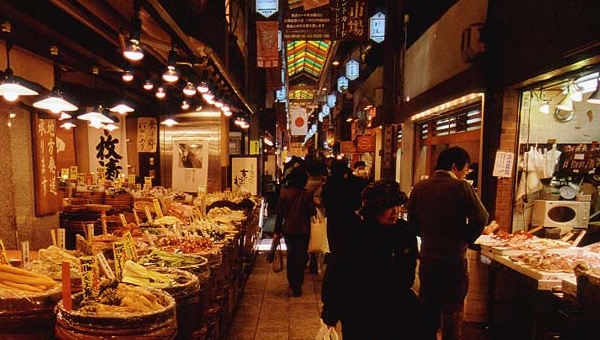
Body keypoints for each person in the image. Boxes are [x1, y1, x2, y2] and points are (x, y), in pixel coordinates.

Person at [407, 146, 489, 340]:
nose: (464, 174)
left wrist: (427, 236)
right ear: (455, 166)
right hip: (454, 258)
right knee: (452, 308)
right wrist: (466, 238)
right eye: (465, 169)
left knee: (429, 306)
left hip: (428, 256)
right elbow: (481, 217)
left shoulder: (420, 187)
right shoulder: (461, 187)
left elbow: (412, 223)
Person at [320, 179, 419, 339]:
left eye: (398, 205)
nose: (395, 211)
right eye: (388, 207)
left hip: (397, 308)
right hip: (361, 311)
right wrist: (330, 312)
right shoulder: (355, 237)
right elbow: (336, 276)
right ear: (374, 209)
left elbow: (408, 270)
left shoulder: (404, 232)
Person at [273, 166, 317, 297]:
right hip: (303, 230)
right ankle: (298, 284)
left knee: (291, 256)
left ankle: (292, 282)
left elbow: (279, 213)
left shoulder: (284, 192)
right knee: (301, 257)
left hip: (288, 229)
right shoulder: (307, 194)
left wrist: (276, 230)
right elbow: (312, 212)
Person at [321, 159, 366, 258]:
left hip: (334, 220)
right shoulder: (353, 183)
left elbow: (325, 202)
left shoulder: (327, 186)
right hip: (350, 218)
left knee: (335, 247)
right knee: (349, 248)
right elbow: (358, 203)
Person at [305, 159, 328, 274]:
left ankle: (308, 259)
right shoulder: (324, 184)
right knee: (319, 236)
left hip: (306, 214)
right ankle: (317, 262)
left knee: (308, 237)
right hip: (320, 214)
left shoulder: (305, 184)